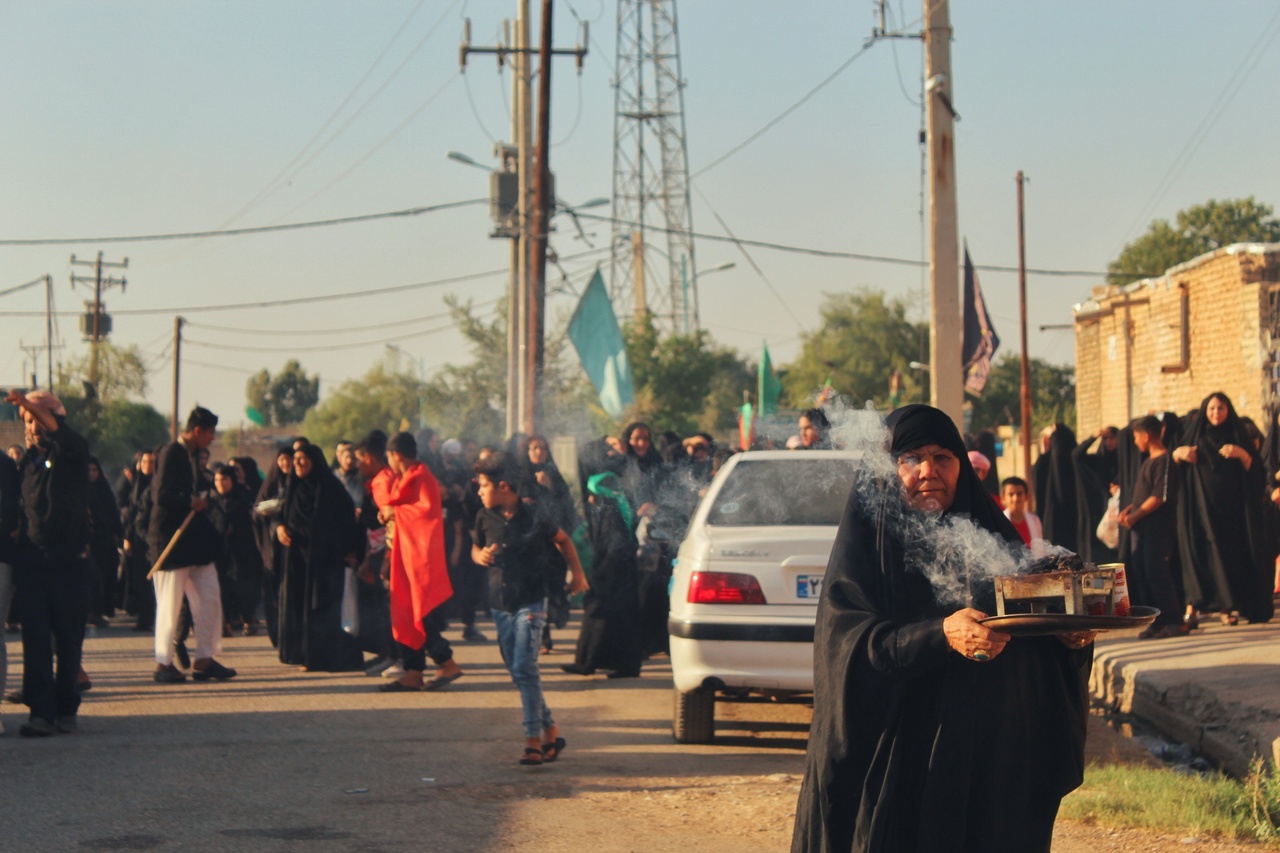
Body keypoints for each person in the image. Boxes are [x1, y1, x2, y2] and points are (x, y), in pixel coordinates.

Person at [792, 404, 1093, 852]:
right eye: (911, 458)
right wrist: (941, 634)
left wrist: (1068, 639)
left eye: (943, 457)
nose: (929, 471)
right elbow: (848, 650)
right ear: (888, 468)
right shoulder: (867, 547)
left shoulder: (993, 538)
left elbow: (1030, 633)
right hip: (898, 767)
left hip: (984, 770)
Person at [472, 452, 588, 766]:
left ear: (504, 486)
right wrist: (479, 555)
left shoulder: (534, 516)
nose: (479, 491)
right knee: (519, 671)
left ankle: (532, 741)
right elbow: (475, 545)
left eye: (484, 485)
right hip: (500, 606)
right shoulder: (484, 516)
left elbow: (564, 540)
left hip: (531, 602)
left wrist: (577, 574)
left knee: (524, 667)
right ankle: (551, 728)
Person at [7, 389, 92, 737]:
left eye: (37, 418)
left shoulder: (73, 451)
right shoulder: (27, 462)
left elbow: (58, 432)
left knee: (69, 640)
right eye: (27, 420)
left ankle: (66, 707)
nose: (32, 426)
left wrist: (28, 403)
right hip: (33, 566)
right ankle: (41, 713)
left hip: (70, 564)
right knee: (37, 641)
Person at [148, 407, 236, 684]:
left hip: (194, 543)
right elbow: (160, 494)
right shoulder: (171, 453)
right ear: (198, 430)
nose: (212, 439)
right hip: (170, 542)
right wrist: (190, 501)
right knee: (170, 604)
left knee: (210, 597)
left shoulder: (191, 455)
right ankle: (163, 663)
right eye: (210, 433)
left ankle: (205, 658)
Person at [1172, 392, 1275, 625]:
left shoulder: (1237, 436)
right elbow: (1172, 464)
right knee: (1200, 557)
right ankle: (1193, 608)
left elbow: (1258, 473)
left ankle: (1227, 609)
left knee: (1229, 558)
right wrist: (1179, 454)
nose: (1216, 413)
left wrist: (1242, 454)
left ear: (1228, 411)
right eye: (1211, 409)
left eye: (1220, 408)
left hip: (1232, 514)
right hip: (1200, 513)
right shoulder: (1194, 436)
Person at [377, 431, 462, 692]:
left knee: (421, 615)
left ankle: (446, 662)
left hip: (420, 559)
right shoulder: (406, 478)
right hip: (403, 557)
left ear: (395, 455)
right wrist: (390, 514)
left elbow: (425, 515)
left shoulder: (423, 477)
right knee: (405, 613)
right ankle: (414, 672)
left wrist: (395, 511)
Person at [276, 443, 364, 672]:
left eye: (302, 459)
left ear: (314, 461)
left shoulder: (330, 488)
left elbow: (348, 521)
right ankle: (303, 654)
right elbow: (279, 514)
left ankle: (322, 657)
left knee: (321, 607)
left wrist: (351, 550)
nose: (296, 464)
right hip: (297, 560)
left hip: (325, 561)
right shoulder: (292, 487)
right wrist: (278, 527)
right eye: (295, 459)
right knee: (299, 606)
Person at [562, 443, 641, 680]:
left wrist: (598, 575)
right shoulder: (610, 507)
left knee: (601, 616)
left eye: (592, 493)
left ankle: (590, 663)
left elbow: (614, 547)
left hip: (614, 575)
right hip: (613, 574)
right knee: (606, 618)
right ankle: (589, 662)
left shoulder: (610, 510)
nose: (589, 498)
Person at [1119, 416, 1185, 638]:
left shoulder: (1165, 461)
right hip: (1141, 530)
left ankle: (1175, 621)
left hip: (1157, 529)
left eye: (1136, 437)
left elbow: (1158, 497)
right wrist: (1130, 510)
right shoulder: (1147, 461)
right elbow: (1144, 495)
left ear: (1146, 436)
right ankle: (1157, 621)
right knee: (1142, 572)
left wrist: (1136, 515)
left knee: (1157, 573)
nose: (1136, 442)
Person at [209, 464, 264, 636]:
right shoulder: (211, 502)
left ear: (232, 480)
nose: (220, 483)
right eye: (217, 480)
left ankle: (248, 618)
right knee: (221, 588)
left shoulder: (243, 499)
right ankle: (225, 623)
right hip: (218, 552)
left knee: (243, 588)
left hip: (241, 552)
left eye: (224, 479)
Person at [1072, 426, 1120, 564]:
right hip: (1098, 513)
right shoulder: (1097, 461)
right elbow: (1076, 455)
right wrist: (1094, 435)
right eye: (1106, 439)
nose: (1109, 442)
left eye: (1112, 438)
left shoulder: (1125, 462)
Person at [1001, 476, 1042, 547]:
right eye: (1011, 494)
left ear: (1026, 496)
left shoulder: (1035, 521)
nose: (1015, 498)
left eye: (1019, 494)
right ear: (1003, 498)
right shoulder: (998, 520)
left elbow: (1040, 550)